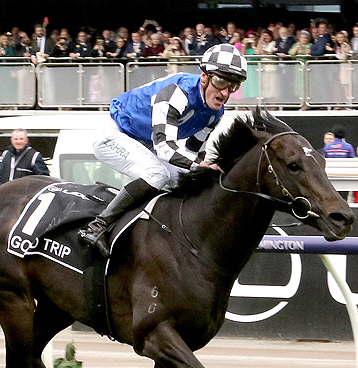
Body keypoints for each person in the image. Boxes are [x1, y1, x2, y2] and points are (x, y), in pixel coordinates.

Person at [79, 44, 248, 256]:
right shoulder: (177, 93)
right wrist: (199, 166)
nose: (225, 92)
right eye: (220, 81)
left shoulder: (215, 114)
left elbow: (191, 150)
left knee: (192, 181)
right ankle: (96, 226)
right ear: (204, 77)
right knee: (158, 174)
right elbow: (165, 149)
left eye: (232, 86)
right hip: (115, 134)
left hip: (146, 143)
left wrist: (203, 170)